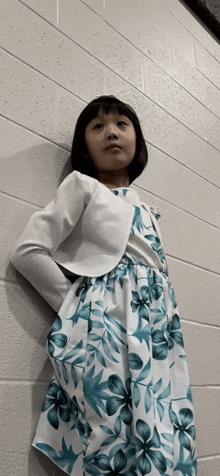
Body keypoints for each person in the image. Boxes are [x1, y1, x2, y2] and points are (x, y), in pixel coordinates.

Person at [11, 95, 197, 475]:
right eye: (97, 127)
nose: (111, 132)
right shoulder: (83, 187)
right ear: (84, 146)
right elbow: (28, 251)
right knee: (111, 431)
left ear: (137, 140)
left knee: (164, 427)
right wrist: (75, 307)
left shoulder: (147, 209)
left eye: (121, 124)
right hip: (108, 331)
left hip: (156, 336)